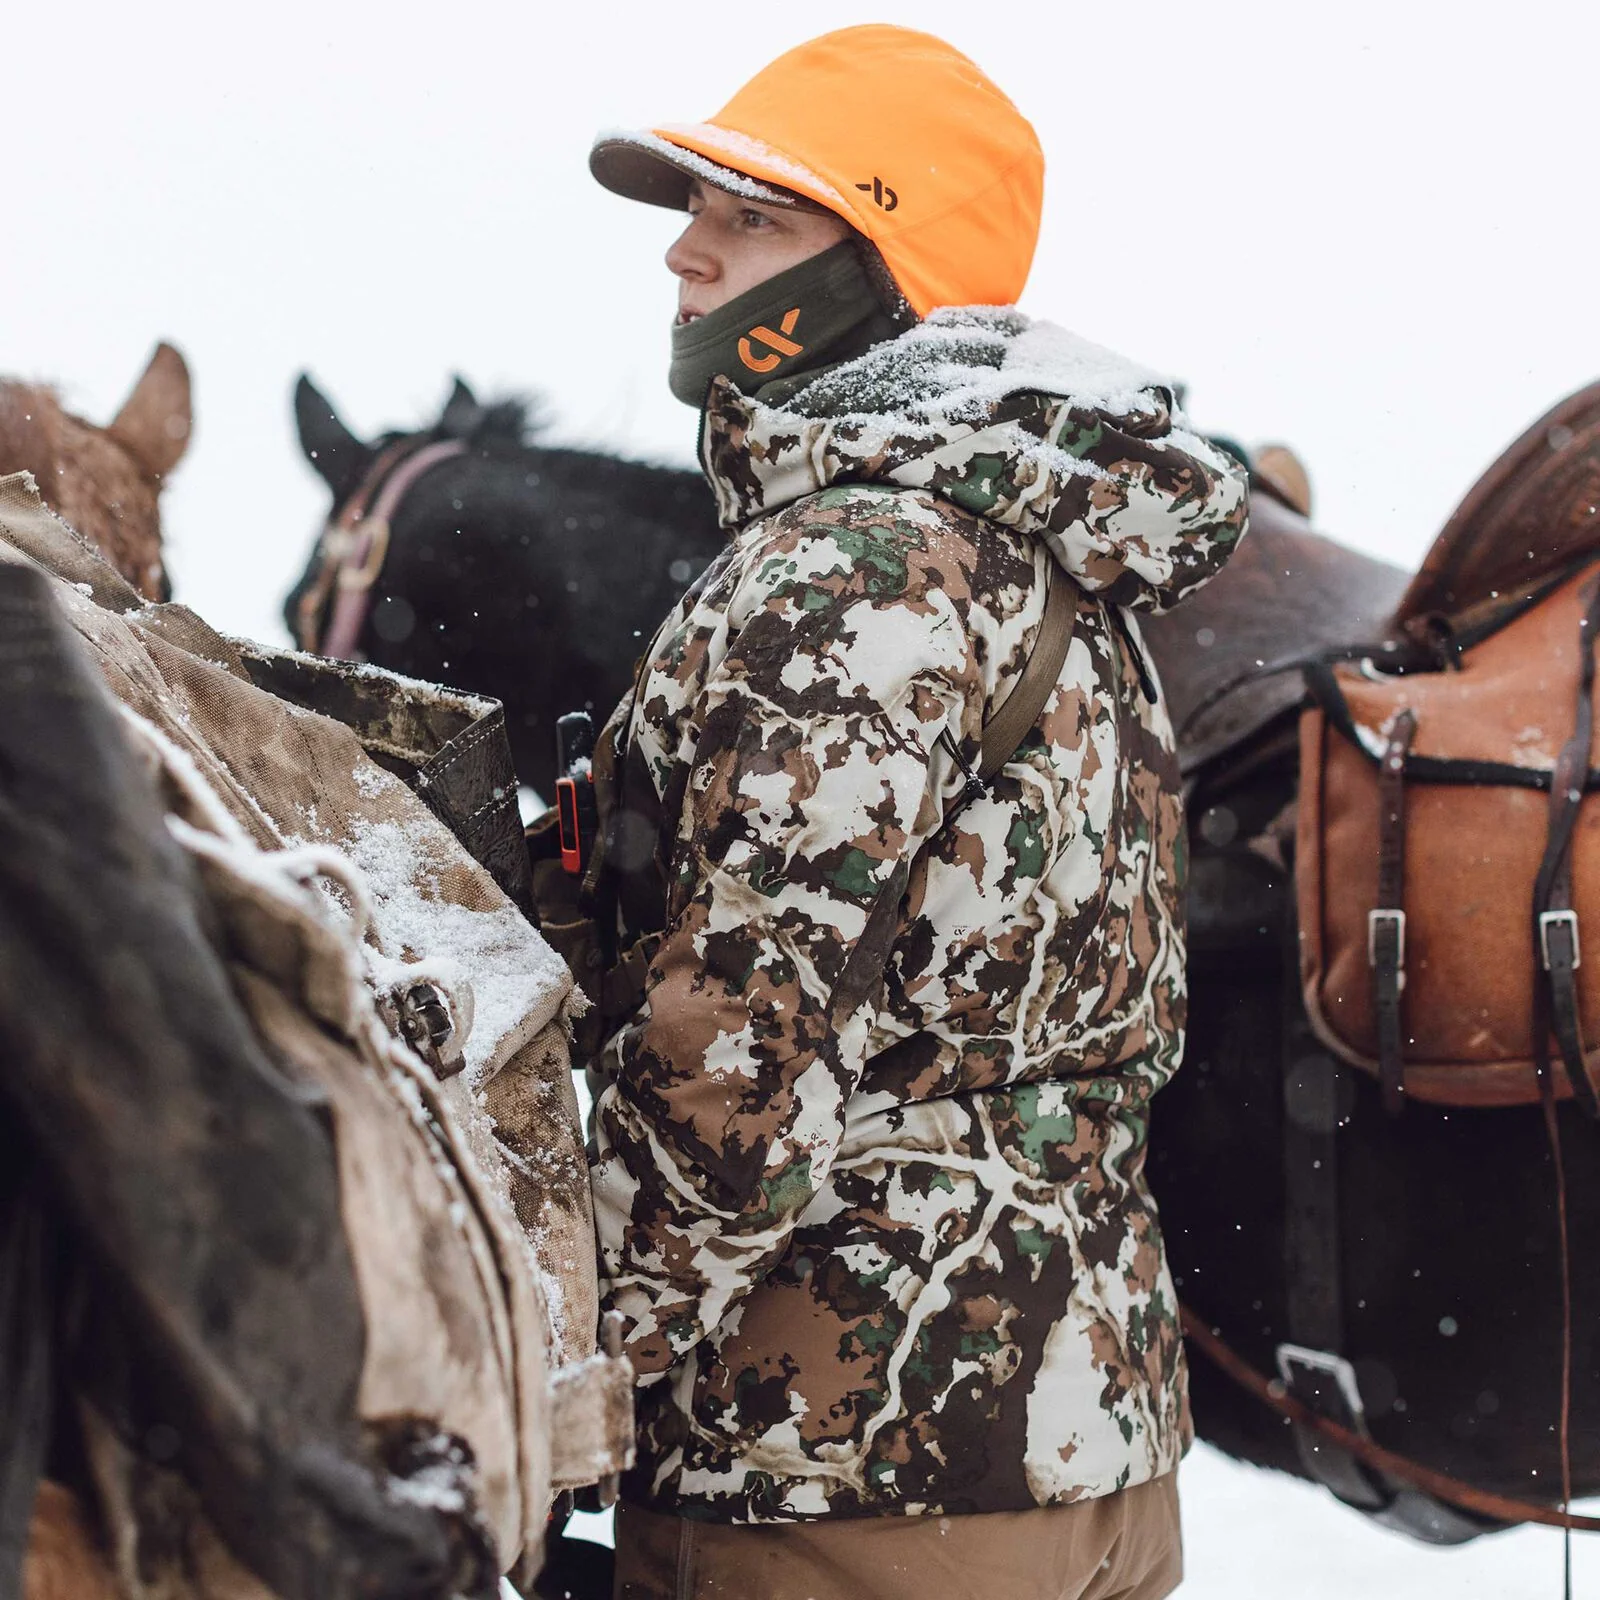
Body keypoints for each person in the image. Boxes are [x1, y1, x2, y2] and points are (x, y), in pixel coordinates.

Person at [577, 24, 1249, 1600]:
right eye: (697, 207)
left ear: (887, 267)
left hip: (836, 1468)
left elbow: (742, 1048)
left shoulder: (854, 569)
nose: (685, 252)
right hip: (1081, 1452)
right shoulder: (1048, 555)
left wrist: (556, 1358)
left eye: (755, 218)